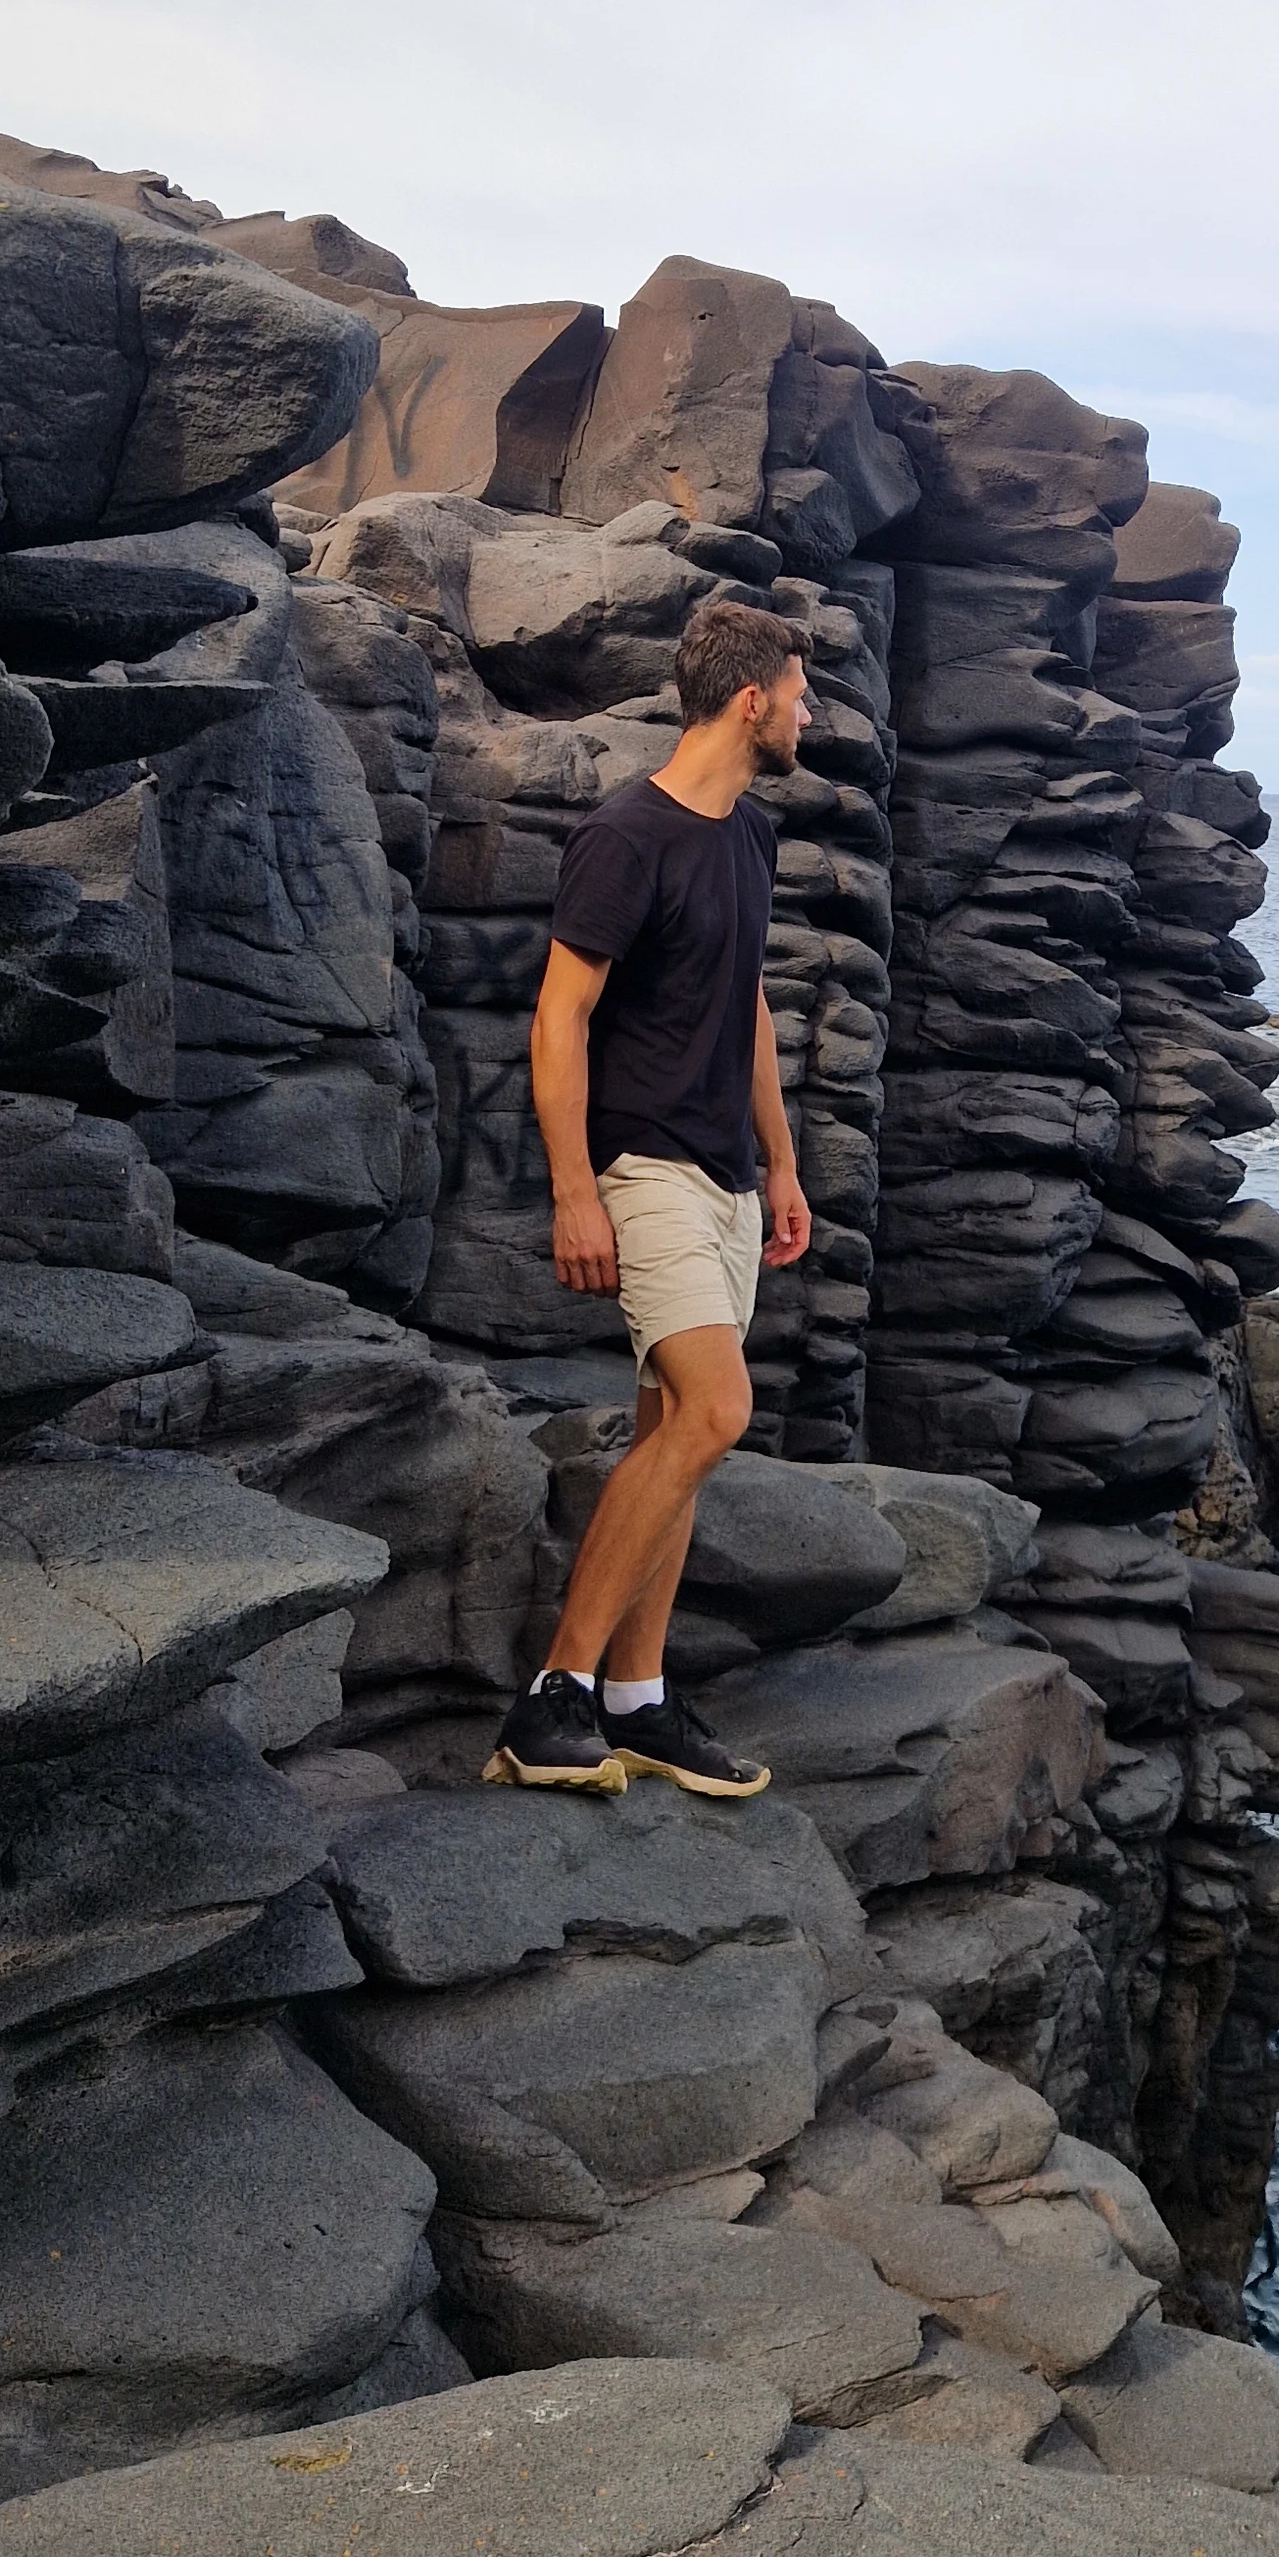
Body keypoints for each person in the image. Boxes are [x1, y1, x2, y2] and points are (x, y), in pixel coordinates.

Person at [483, 596, 815, 1800]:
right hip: (645, 1167)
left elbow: (750, 1009)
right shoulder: (627, 835)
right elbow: (558, 1017)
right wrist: (575, 1189)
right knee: (715, 1411)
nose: (806, 712)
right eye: (797, 692)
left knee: (674, 1430)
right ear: (749, 701)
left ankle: (637, 1699)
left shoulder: (748, 838)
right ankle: (550, 1699)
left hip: (724, 1172)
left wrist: (779, 1165)